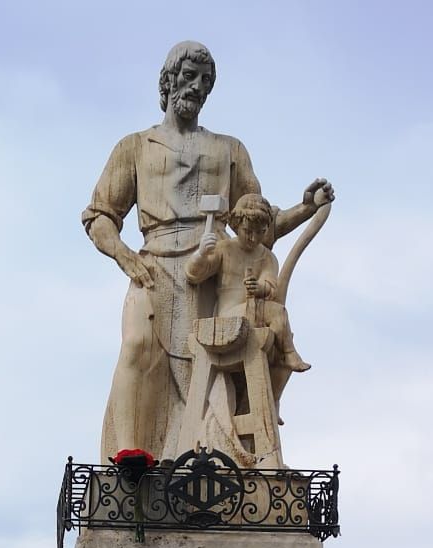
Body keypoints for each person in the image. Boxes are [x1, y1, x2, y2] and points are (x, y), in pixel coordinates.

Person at [83, 40, 331, 461]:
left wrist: (306, 208)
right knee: (137, 346)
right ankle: (130, 457)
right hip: (153, 266)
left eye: (205, 81)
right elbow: (100, 216)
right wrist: (126, 258)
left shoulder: (229, 149)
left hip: (213, 274)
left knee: (212, 375)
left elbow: (258, 224)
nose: (196, 87)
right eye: (188, 77)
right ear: (168, 81)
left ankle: (215, 462)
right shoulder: (135, 146)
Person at [186, 192, 311, 380]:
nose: (253, 238)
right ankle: (287, 353)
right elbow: (194, 275)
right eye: (248, 231)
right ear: (236, 226)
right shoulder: (225, 248)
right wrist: (201, 254)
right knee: (274, 313)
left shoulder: (267, 257)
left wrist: (259, 288)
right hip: (228, 316)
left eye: (260, 232)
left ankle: (284, 353)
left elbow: (271, 286)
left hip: (255, 312)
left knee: (278, 312)